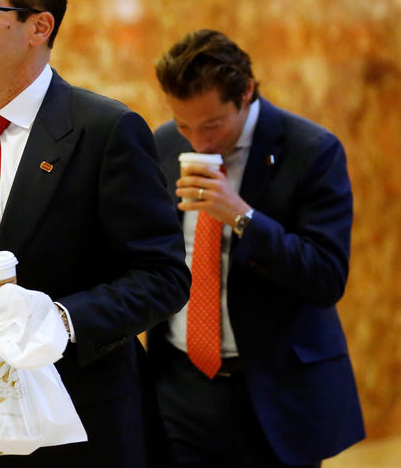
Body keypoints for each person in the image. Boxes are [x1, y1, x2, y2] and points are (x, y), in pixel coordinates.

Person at [0, 0, 190, 468]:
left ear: (39, 27)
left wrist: (63, 320)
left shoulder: (105, 130)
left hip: (76, 427)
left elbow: (163, 277)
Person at [147, 29, 365, 467]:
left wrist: (241, 216)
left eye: (212, 124)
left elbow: (326, 277)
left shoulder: (312, 151)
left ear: (246, 93)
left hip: (273, 388)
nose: (199, 142)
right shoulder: (165, 143)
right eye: (186, 124)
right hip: (180, 382)